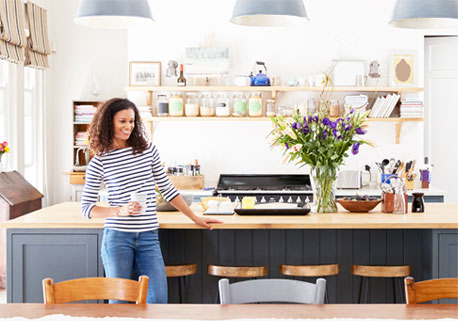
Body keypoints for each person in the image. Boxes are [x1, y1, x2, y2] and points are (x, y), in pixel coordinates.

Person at [81, 98, 222, 303]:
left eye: (131, 121)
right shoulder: (100, 161)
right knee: (119, 303)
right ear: (108, 122)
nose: (128, 126)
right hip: (117, 238)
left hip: (148, 237)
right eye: (122, 121)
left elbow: (167, 189)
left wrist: (194, 217)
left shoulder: (148, 150)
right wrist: (120, 210)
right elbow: (87, 209)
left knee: (157, 301)